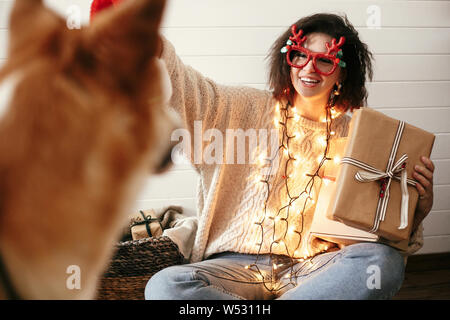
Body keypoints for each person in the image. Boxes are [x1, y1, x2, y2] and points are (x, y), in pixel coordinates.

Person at [141, 12, 435, 300]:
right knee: (166, 286)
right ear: (287, 58)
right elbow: (183, 89)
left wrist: (417, 210)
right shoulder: (241, 108)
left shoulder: (362, 136)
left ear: (343, 72)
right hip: (233, 268)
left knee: (382, 264)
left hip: (314, 269)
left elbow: (386, 236)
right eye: (299, 56)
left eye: (324, 60)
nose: (309, 69)